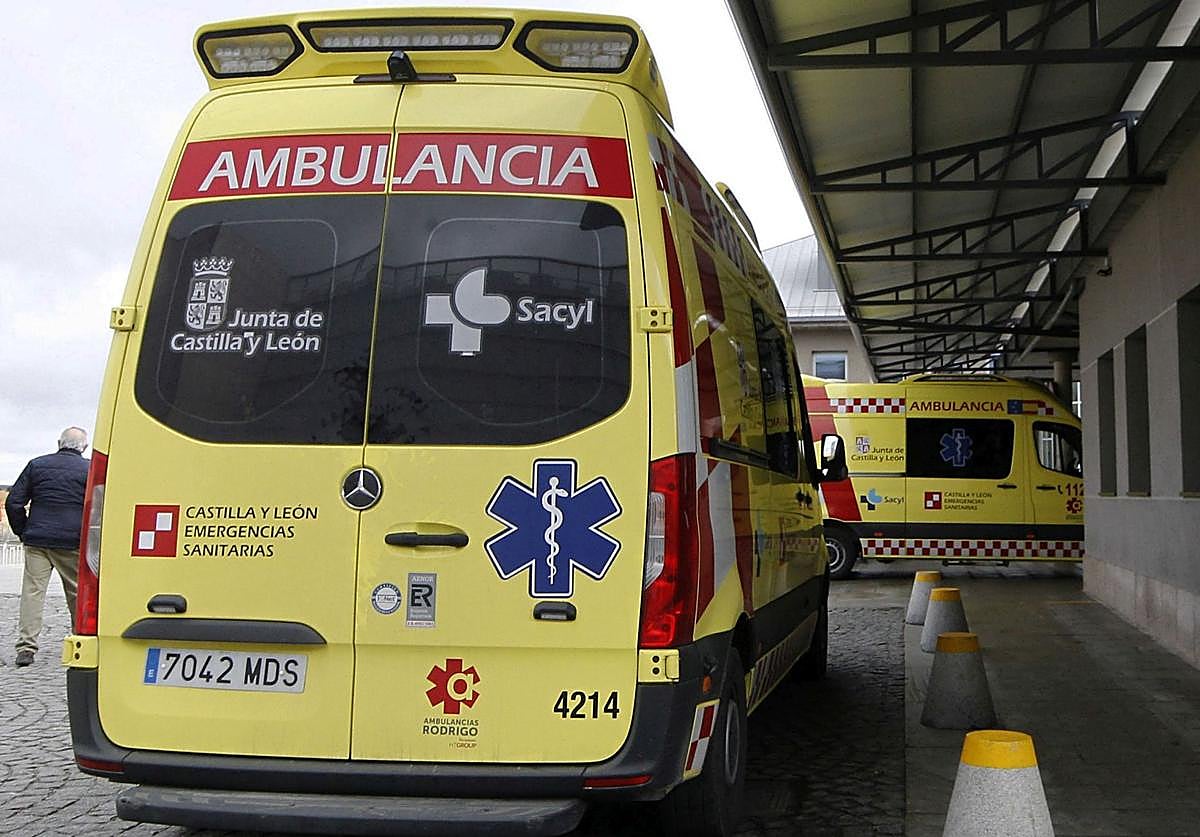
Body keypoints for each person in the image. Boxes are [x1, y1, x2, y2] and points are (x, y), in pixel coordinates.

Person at [5, 427, 90, 667]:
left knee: (32, 593)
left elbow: (14, 502)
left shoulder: (37, 465)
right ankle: (81, 641)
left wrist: (23, 530)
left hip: (38, 540)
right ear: (84, 447)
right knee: (76, 593)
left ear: (59, 443)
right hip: (72, 541)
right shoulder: (89, 469)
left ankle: (26, 647)